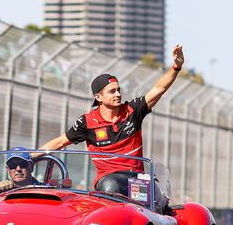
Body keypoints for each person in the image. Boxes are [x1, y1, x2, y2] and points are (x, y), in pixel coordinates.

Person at [35, 44, 186, 195]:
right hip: (109, 181)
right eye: (112, 91)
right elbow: (59, 142)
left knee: (158, 199)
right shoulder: (87, 122)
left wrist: (175, 67)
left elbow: (159, 89)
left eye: (119, 90)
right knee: (110, 186)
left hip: (137, 180)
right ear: (98, 97)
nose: (118, 94)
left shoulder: (133, 110)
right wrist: (28, 156)